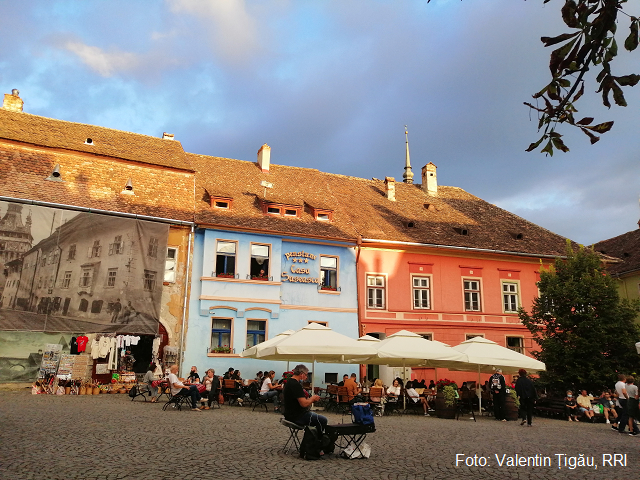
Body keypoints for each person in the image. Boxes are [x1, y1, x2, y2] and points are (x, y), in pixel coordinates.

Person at [283, 364, 327, 433]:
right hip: (297, 416)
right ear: (301, 374)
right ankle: (318, 441)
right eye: (306, 375)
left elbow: (302, 401)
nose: (306, 377)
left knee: (316, 417)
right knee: (323, 420)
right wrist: (313, 399)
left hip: (290, 414)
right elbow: (304, 404)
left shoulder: (290, 382)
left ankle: (312, 439)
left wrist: (311, 399)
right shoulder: (296, 385)